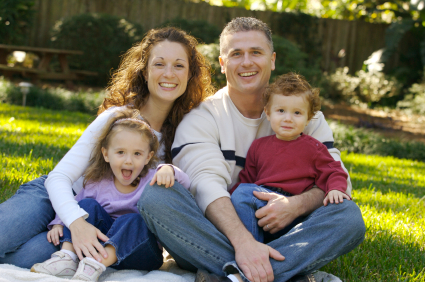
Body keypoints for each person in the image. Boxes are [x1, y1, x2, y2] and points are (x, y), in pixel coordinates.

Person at [138, 17, 366, 282]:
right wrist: (244, 244)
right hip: (215, 233)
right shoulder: (202, 118)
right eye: (236, 54)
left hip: (288, 230)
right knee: (156, 197)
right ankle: (278, 272)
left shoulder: (307, 116)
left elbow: (340, 182)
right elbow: (206, 186)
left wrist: (295, 205)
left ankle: (233, 276)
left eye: (256, 52)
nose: (247, 62)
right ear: (223, 64)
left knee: (348, 217)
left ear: (272, 59)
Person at [0, 27, 213, 269]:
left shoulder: (183, 134)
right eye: (159, 64)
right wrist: (76, 223)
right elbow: (59, 178)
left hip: (99, 219)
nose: (168, 73)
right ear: (144, 71)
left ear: (190, 74)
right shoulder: (117, 117)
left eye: (178, 65)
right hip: (53, 196)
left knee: (22, 260)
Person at [30, 109, 190, 281]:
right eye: (120, 152)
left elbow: (187, 184)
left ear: (148, 157)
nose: (128, 160)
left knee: (133, 220)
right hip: (102, 242)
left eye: (137, 154)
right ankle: (68, 257)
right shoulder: (97, 183)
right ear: (106, 154)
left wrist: (168, 169)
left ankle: (94, 264)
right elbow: (74, 204)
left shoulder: (152, 178)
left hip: (141, 251)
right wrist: (58, 223)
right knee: (86, 206)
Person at [231, 72, 351, 245]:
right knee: (242, 193)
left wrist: (336, 189)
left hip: (294, 213)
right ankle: (254, 247)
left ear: (308, 118)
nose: (288, 118)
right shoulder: (259, 146)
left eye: (297, 113)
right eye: (281, 111)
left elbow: (334, 171)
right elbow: (247, 179)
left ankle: (269, 252)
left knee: (344, 212)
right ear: (268, 112)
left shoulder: (314, 148)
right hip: (263, 205)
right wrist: (231, 198)